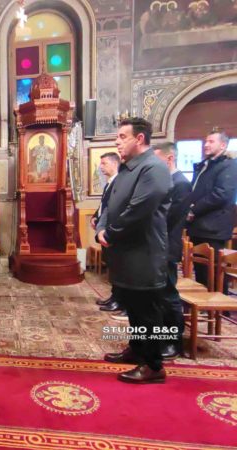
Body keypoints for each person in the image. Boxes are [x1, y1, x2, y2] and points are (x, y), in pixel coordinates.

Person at [96, 117, 171, 384]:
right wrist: (101, 228)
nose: (117, 141)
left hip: (144, 254)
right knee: (133, 308)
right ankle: (137, 350)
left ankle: (153, 365)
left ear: (139, 139)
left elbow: (139, 209)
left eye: (122, 136)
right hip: (125, 253)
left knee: (147, 312)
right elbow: (109, 205)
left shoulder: (153, 168)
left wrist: (110, 233)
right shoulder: (128, 168)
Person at [186, 129, 237, 294]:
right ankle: (204, 301)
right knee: (201, 273)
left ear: (223, 145)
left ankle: (217, 303)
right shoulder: (206, 165)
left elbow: (221, 194)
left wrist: (194, 210)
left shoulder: (229, 165)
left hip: (213, 228)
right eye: (206, 141)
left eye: (211, 141)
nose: (206, 145)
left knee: (213, 275)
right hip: (199, 226)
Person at [154, 142, 192, 358]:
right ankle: (159, 338)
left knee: (168, 295)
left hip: (167, 246)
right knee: (157, 296)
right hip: (157, 244)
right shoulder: (166, 181)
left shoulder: (181, 184)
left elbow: (169, 218)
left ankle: (173, 342)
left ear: (169, 159)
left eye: (157, 160)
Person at [90, 152, 122, 314]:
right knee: (112, 265)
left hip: (111, 230)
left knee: (118, 267)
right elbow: (104, 205)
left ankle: (120, 300)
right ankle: (114, 297)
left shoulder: (120, 182)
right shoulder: (109, 183)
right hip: (104, 229)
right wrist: (95, 216)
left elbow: (114, 208)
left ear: (115, 164)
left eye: (104, 163)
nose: (101, 167)